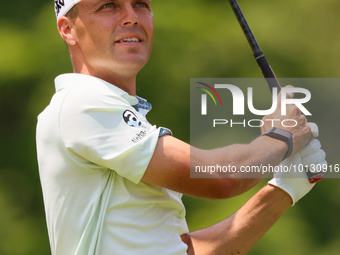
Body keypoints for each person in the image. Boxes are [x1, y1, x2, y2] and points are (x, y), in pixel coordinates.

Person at [36, 0, 327, 254]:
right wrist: (281, 137)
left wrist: (285, 188)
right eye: (108, 5)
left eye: (141, 4)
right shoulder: (81, 103)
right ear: (68, 29)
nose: (131, 17)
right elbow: (218, 178)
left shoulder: (113, 113)